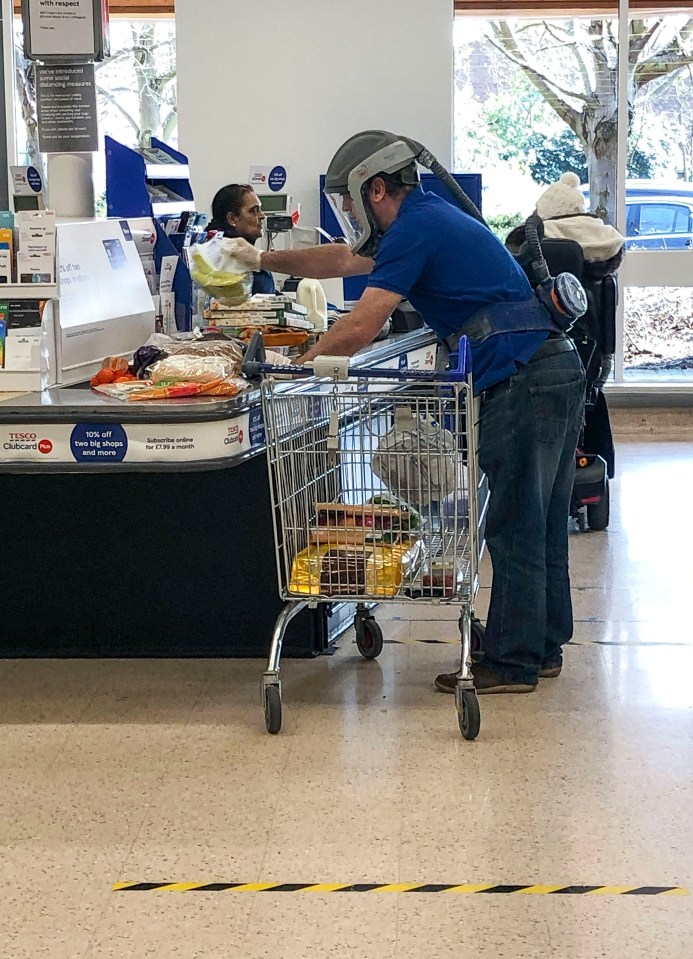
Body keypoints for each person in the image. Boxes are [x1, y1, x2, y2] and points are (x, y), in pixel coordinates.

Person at [227, 130, 586, 695]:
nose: (347, 214)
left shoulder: (415, 227)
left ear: (374, 189)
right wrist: (261, 256)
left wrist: (293, 369)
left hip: (523, 378)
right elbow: (341, 259)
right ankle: (540, 647)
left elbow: (359, 326)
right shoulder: (425, 215)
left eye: (347, 202)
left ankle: (512, 662)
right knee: (541, 520)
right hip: (553, 368)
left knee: (515, 524)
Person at [207, 184, 276, 295]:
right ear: (232, 219)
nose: (262, 215)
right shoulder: (225, 259)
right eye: (254, 210)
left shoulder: (243, 252)